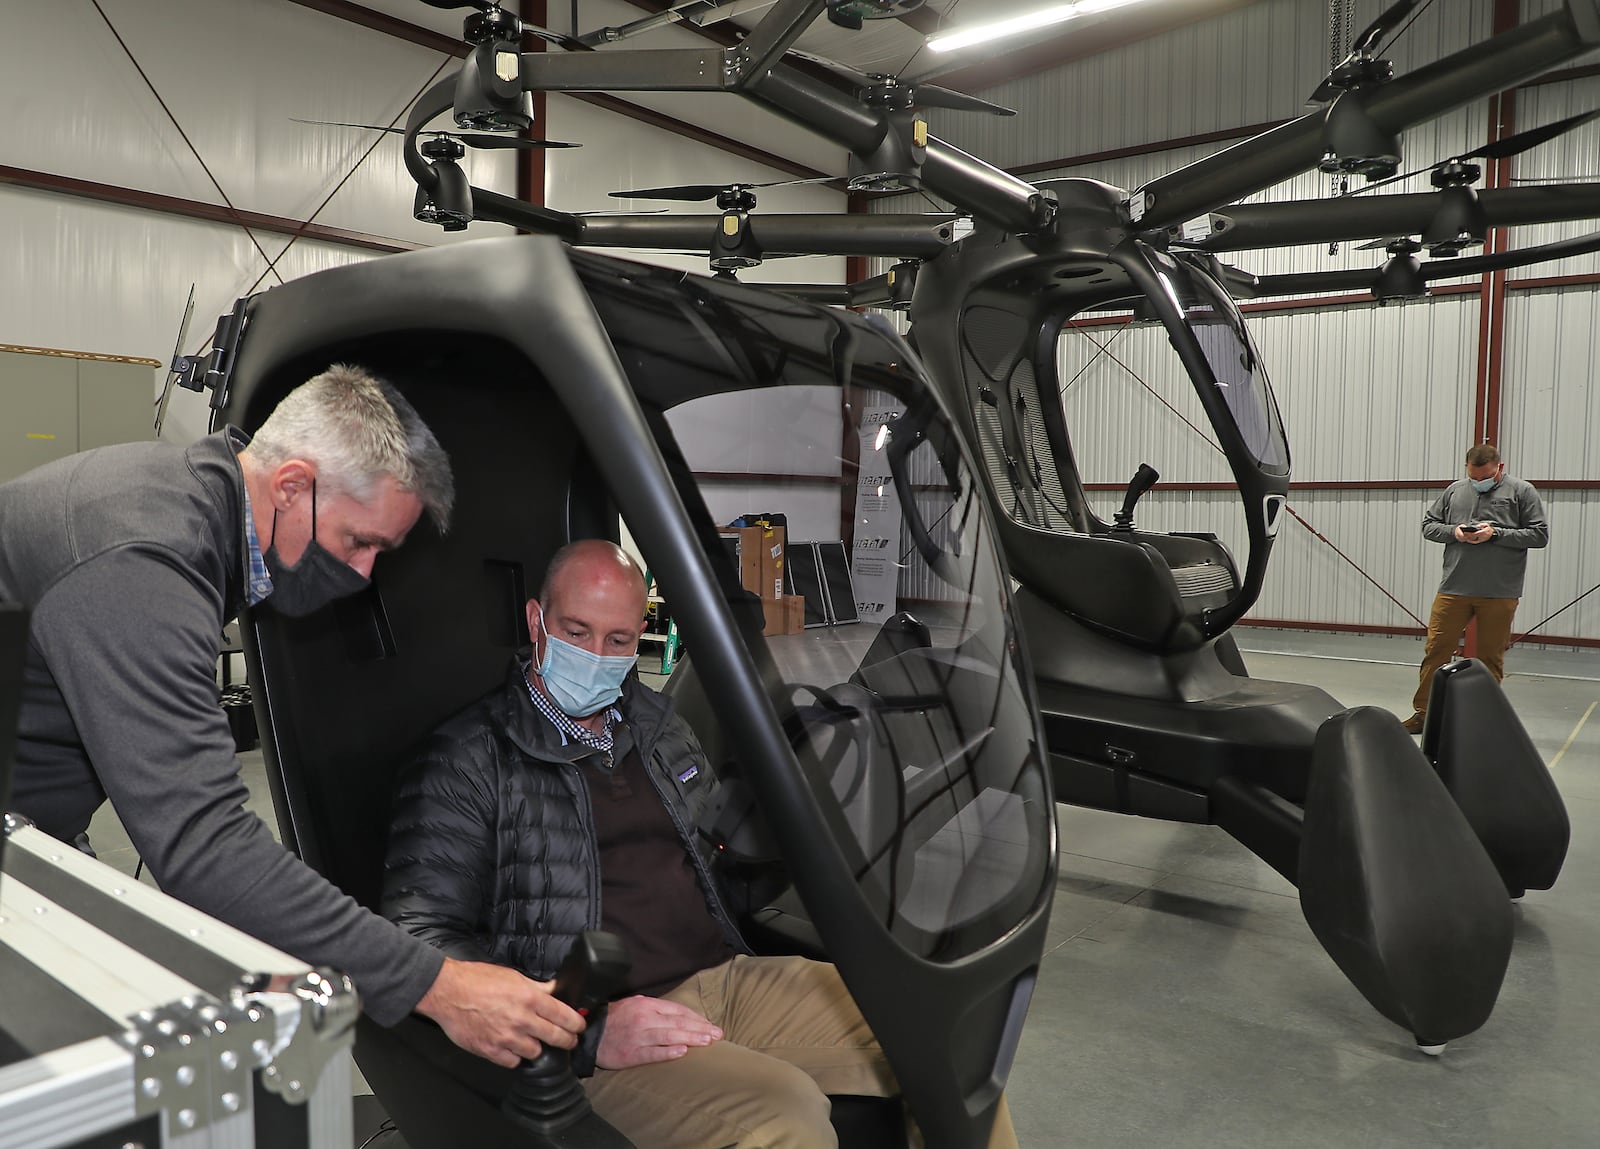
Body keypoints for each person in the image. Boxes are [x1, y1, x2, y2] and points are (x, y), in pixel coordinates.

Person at [0, 364, 585, 1069]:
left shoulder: (194, 507)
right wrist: (438, 982)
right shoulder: (144, 553)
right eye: (359, 541)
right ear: (292, 486)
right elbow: (200, 843)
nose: (364, 574)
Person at [382, 539, 1019, 1149]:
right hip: (599, 1025)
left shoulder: (659, 725)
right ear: (536, 621)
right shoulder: (468, 758)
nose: (596, 654)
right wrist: (584, 1033)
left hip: (726, 980)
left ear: (641, 639)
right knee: (784, 1114)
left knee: (948, 1041)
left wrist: (784, 832)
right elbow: (420, 938)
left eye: (619, 640)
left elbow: (721, 862)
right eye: (576, 633)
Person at [1402, 443, 1548, 733]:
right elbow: (1429, 525)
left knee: (1490, 656)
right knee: (1436, 649)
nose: (1478, 482)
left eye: (1486, 477)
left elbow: (1539, 534)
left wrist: (1496, 533)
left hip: (1500, 591)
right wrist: (1454, 532)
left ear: (1500, 469)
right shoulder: (1455, 490)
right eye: (1473, 476)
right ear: (1466, 469)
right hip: (1454, 587)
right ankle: (1425, 713)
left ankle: (1483, 716)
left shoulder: (1522, 491)